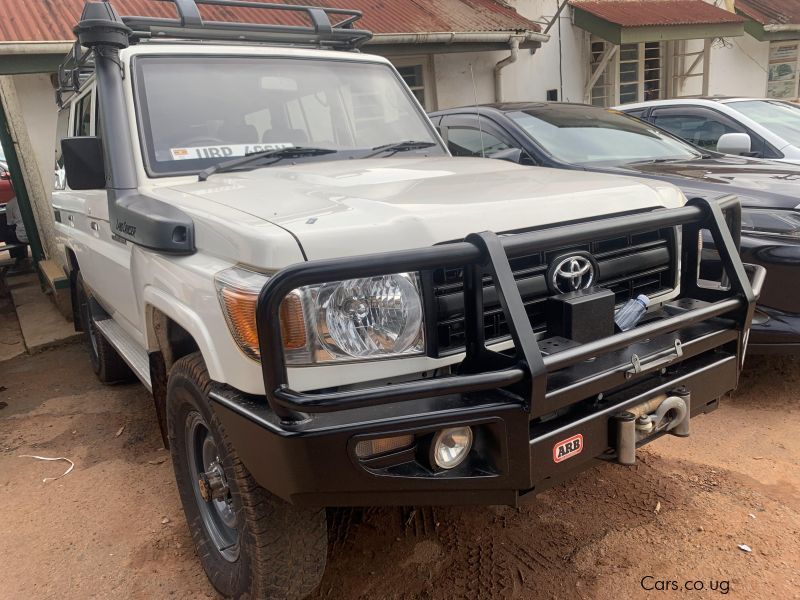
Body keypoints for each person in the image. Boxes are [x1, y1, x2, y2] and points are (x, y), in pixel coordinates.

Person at [0, 195, 28, 262]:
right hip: (37, 235)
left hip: (22, 237)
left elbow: (10, 224)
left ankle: (18, 259)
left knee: (8, 234)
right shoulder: (32, 200)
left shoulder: (10, 204)